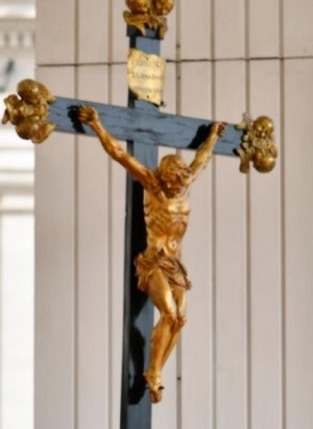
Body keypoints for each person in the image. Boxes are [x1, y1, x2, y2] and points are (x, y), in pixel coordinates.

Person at [77, 105, 224, 403]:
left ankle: (155, 371)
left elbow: (202, 159)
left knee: (180, 319)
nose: (177, 187)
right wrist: (96, 124)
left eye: (180, 182)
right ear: (164, 176)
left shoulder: (184, 184)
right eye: (173, 182)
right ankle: (153, 373)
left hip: (175, 264)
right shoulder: (153, 185)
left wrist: (213, 137)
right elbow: (119, 153)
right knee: (169, 313)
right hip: (153, 261)